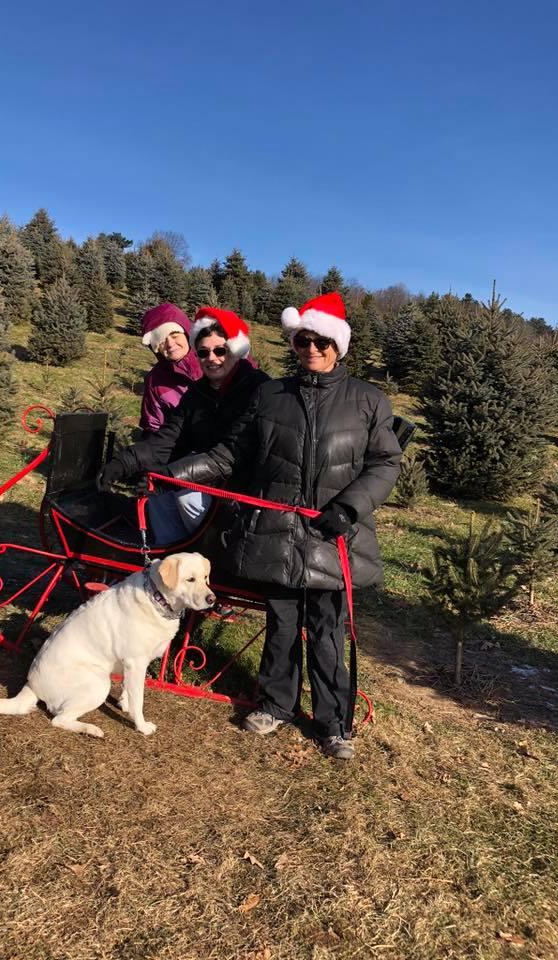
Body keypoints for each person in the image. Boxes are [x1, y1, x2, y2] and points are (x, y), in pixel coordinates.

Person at [163, 293, 402, 760]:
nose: (311, 349)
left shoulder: (368, 401)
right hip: (278, 532)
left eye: (321, 342)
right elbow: (231, 455)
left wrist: (348, 508)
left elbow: (385, 464)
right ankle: (276, 704)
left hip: (333, 536)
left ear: (337, 345)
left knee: (327, 632)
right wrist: (173, 474)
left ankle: (333, 723)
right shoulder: (271, 396)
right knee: (282, 624)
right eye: (302, 341)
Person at [96, 307, 269, 545]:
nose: (212, 358)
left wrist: (168, 478)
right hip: (205, 476)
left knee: (186, 496)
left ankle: (211, 554)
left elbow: (230, 454)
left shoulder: (258, 389)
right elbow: (166, 439)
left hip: (244, 486)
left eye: (220, 350)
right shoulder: (197, 394)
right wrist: (123, 463)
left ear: (235, 350)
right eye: (203, 352)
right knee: (156, 494)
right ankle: (169, 553)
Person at [138, 303, 201, 435]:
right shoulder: (155, 381)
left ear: (186, 333)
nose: (170, 344)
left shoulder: (212, 358)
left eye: (174, 335)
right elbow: (153, 427)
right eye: (161, 341)